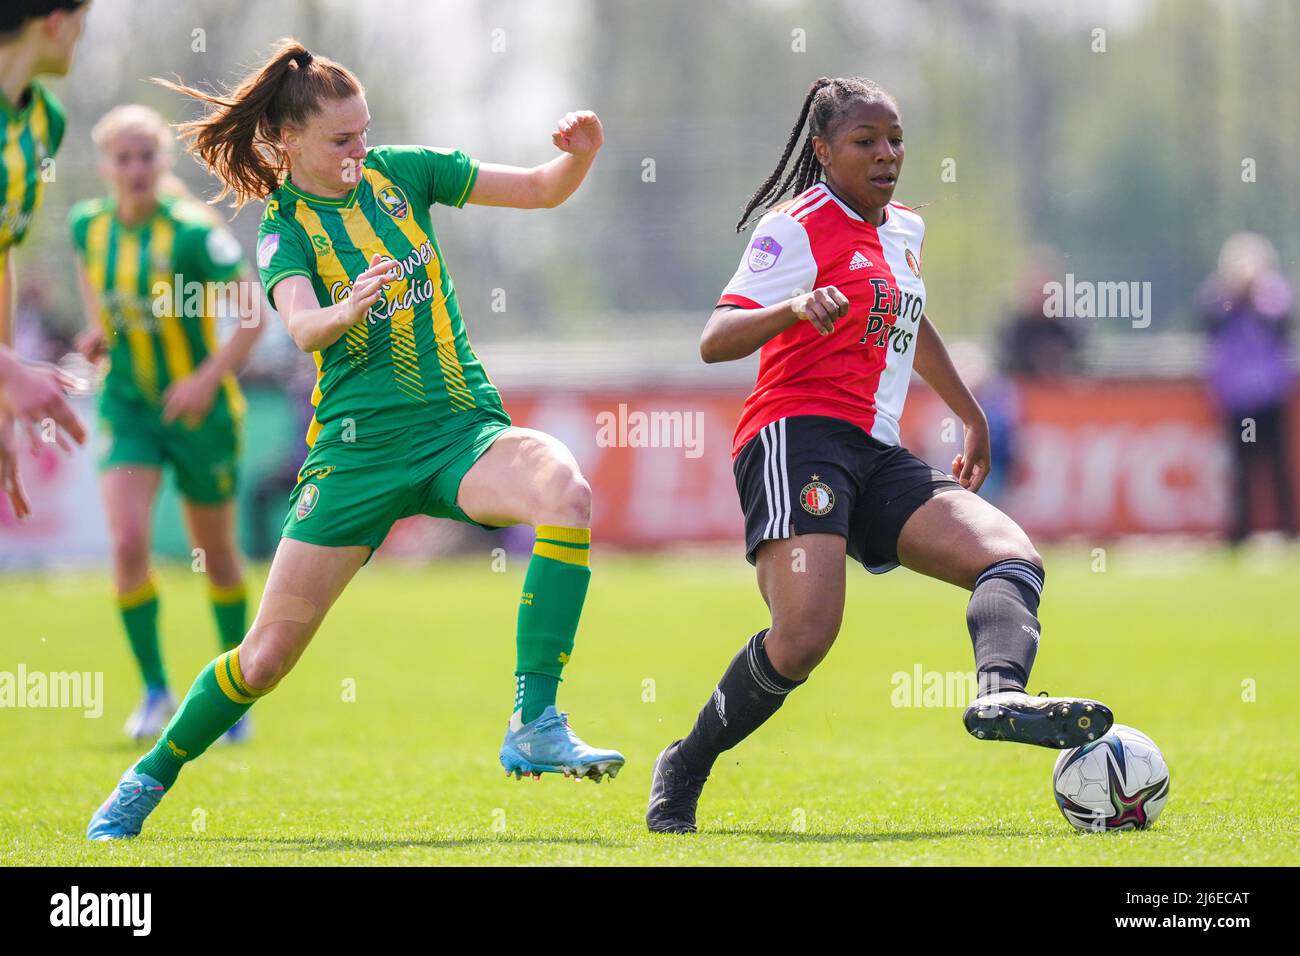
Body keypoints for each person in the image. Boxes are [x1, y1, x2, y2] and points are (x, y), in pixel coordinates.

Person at [88, 39, 622, 840]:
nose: (359, 150)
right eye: (341, 140)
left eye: (363, 132)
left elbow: (543, 190)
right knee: (265, 658)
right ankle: (145, 779)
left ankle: (535, 723)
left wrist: (577, 158)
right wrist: (347, 309)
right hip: (354, 456)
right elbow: (302, 324)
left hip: (459, 431)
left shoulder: (405, 173)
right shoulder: (283, 229)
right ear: (287, 143)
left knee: (566, 492)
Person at [646, 77, 1113, 834]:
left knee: (1009, 554)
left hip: (875, 449)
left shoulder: (903, 230)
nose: (887, 154)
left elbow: (911, 320)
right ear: (825, 151)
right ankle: (686, 763)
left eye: (895, 139)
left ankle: (1000, 694)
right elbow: (714, 338)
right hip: (794, 438)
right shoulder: (794, 227)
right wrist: (795, 305)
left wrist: (971, 414)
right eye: (866, 142)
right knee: (804, 637)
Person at [69, 104, 264, 741]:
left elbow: (254, 314)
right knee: (128, 543)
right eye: (123, 158)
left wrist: (206, 378)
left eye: (145, 156)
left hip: (200, 415)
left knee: (217, 556)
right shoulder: (88, 228)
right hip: (128, 408)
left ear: (161, 162)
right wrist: (101, 332)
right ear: (106, 166)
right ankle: (155, 691)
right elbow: (98, 291)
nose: (135, 169)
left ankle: (236, 693)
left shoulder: (191, 232)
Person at [0, 0, 92, 517]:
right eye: (84, 17)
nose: (84, 33)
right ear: (55, 22)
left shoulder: (42, 123)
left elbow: (2, 254)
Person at [1198, 232, 1296, 543]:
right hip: (1237, 399)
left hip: (1268, 396)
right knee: (1240, 468)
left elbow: (1280, 324)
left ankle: (1287, 528)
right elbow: (1209, 320)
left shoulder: (1272, 295)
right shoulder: (1220, 297)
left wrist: (1254, 297)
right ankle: (1241, 531)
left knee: (1277, 465)